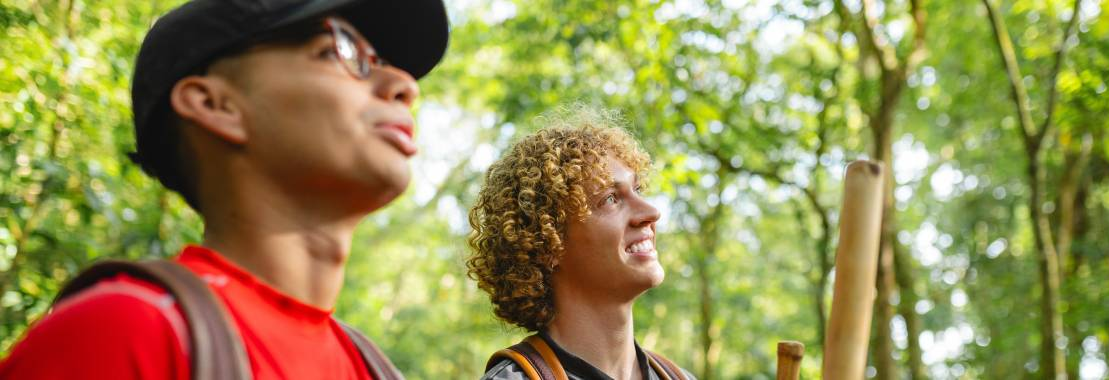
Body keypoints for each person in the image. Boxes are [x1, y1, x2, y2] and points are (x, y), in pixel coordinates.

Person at [0, 0, 448, 378]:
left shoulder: (370, 368)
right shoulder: (123, 332)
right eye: (341, 51)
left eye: (385, 64)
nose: (403, 85)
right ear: (214, 105)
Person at [467, 104, 696, 380]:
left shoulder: (677, 377)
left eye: (637, 189)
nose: (651, 212)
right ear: (547, 242)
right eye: (610, 198)